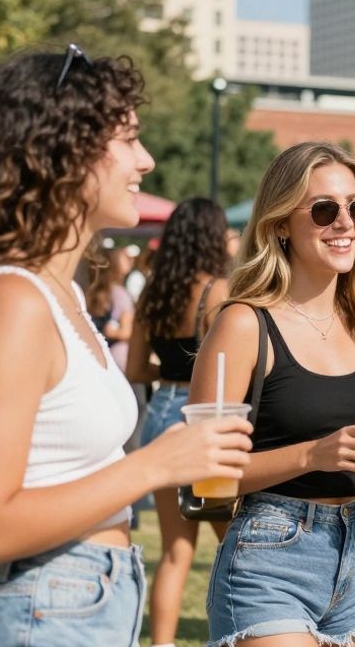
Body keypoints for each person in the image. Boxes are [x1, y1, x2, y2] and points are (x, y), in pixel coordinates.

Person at [0, 47, 251, 646]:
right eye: (130, 139)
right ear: (65, 148)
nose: (147, 159)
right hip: (37, 608)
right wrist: (159, 462)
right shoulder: (10, 300)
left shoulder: (58, 294)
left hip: (76, 601)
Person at [194, 141, 355, 647]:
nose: (345, 223)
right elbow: (205, 475)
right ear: (278, 225)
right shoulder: (243, 323)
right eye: (323, 210)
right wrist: (315, 453)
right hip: (270, 552)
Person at [125, 196, 232, 647]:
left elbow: (134, 370)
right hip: (204, 417)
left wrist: (166, 375)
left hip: (161, 414)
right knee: (235, 545)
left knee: (175, 550)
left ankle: (162, 644)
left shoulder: (152, 290)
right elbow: (227, 372)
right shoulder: (218, 292)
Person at [87, 245, 136, 373]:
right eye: (126, 258)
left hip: (97, 355)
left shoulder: (91, 292)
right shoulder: (121, 294)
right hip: (120, 355)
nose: (130, 261)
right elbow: (126, 332)